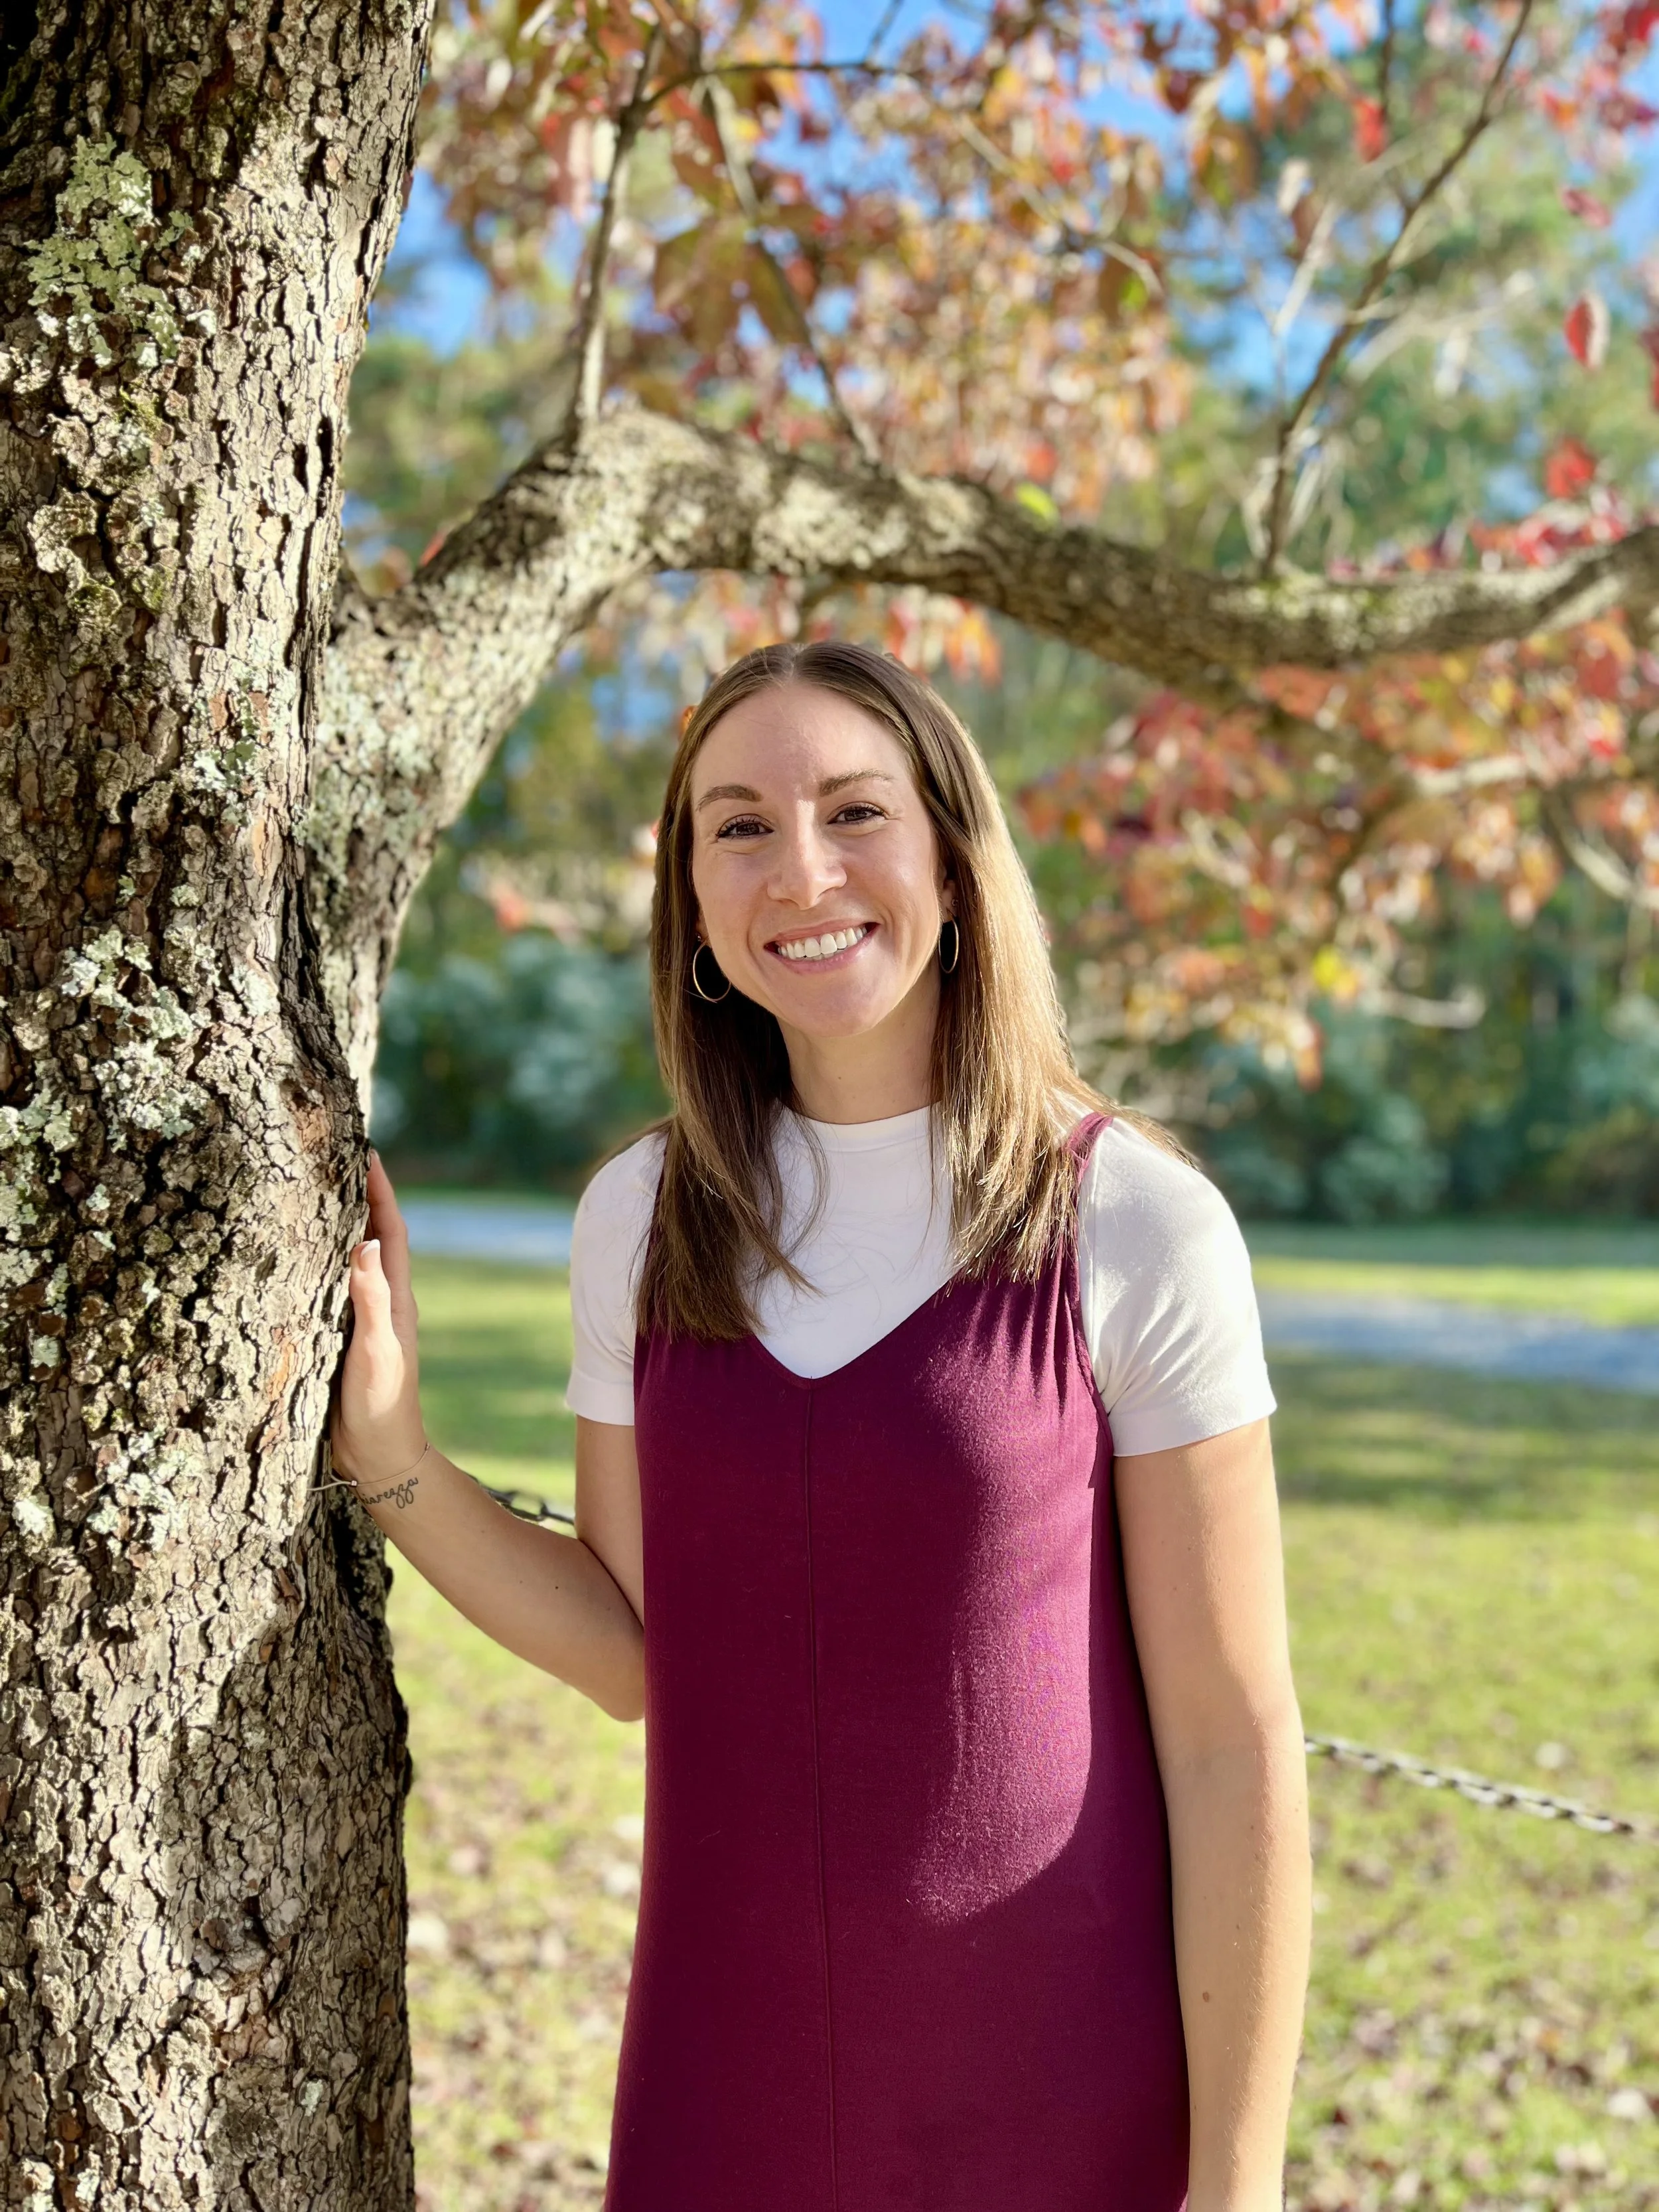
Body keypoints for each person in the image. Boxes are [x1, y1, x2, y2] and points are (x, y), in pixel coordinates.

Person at [335, 640, 1311, 2212]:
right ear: (696, 903)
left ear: (950, 856)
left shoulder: (1132, 1219)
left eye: (854, 809)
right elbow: (635, 1645)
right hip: (727, 2089)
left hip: (1059, 2094)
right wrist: (393, 1459)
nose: (801, 868)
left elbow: (1229, 1741)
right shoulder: (640, 1216)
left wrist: (1238, 2184)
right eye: (736, 825)